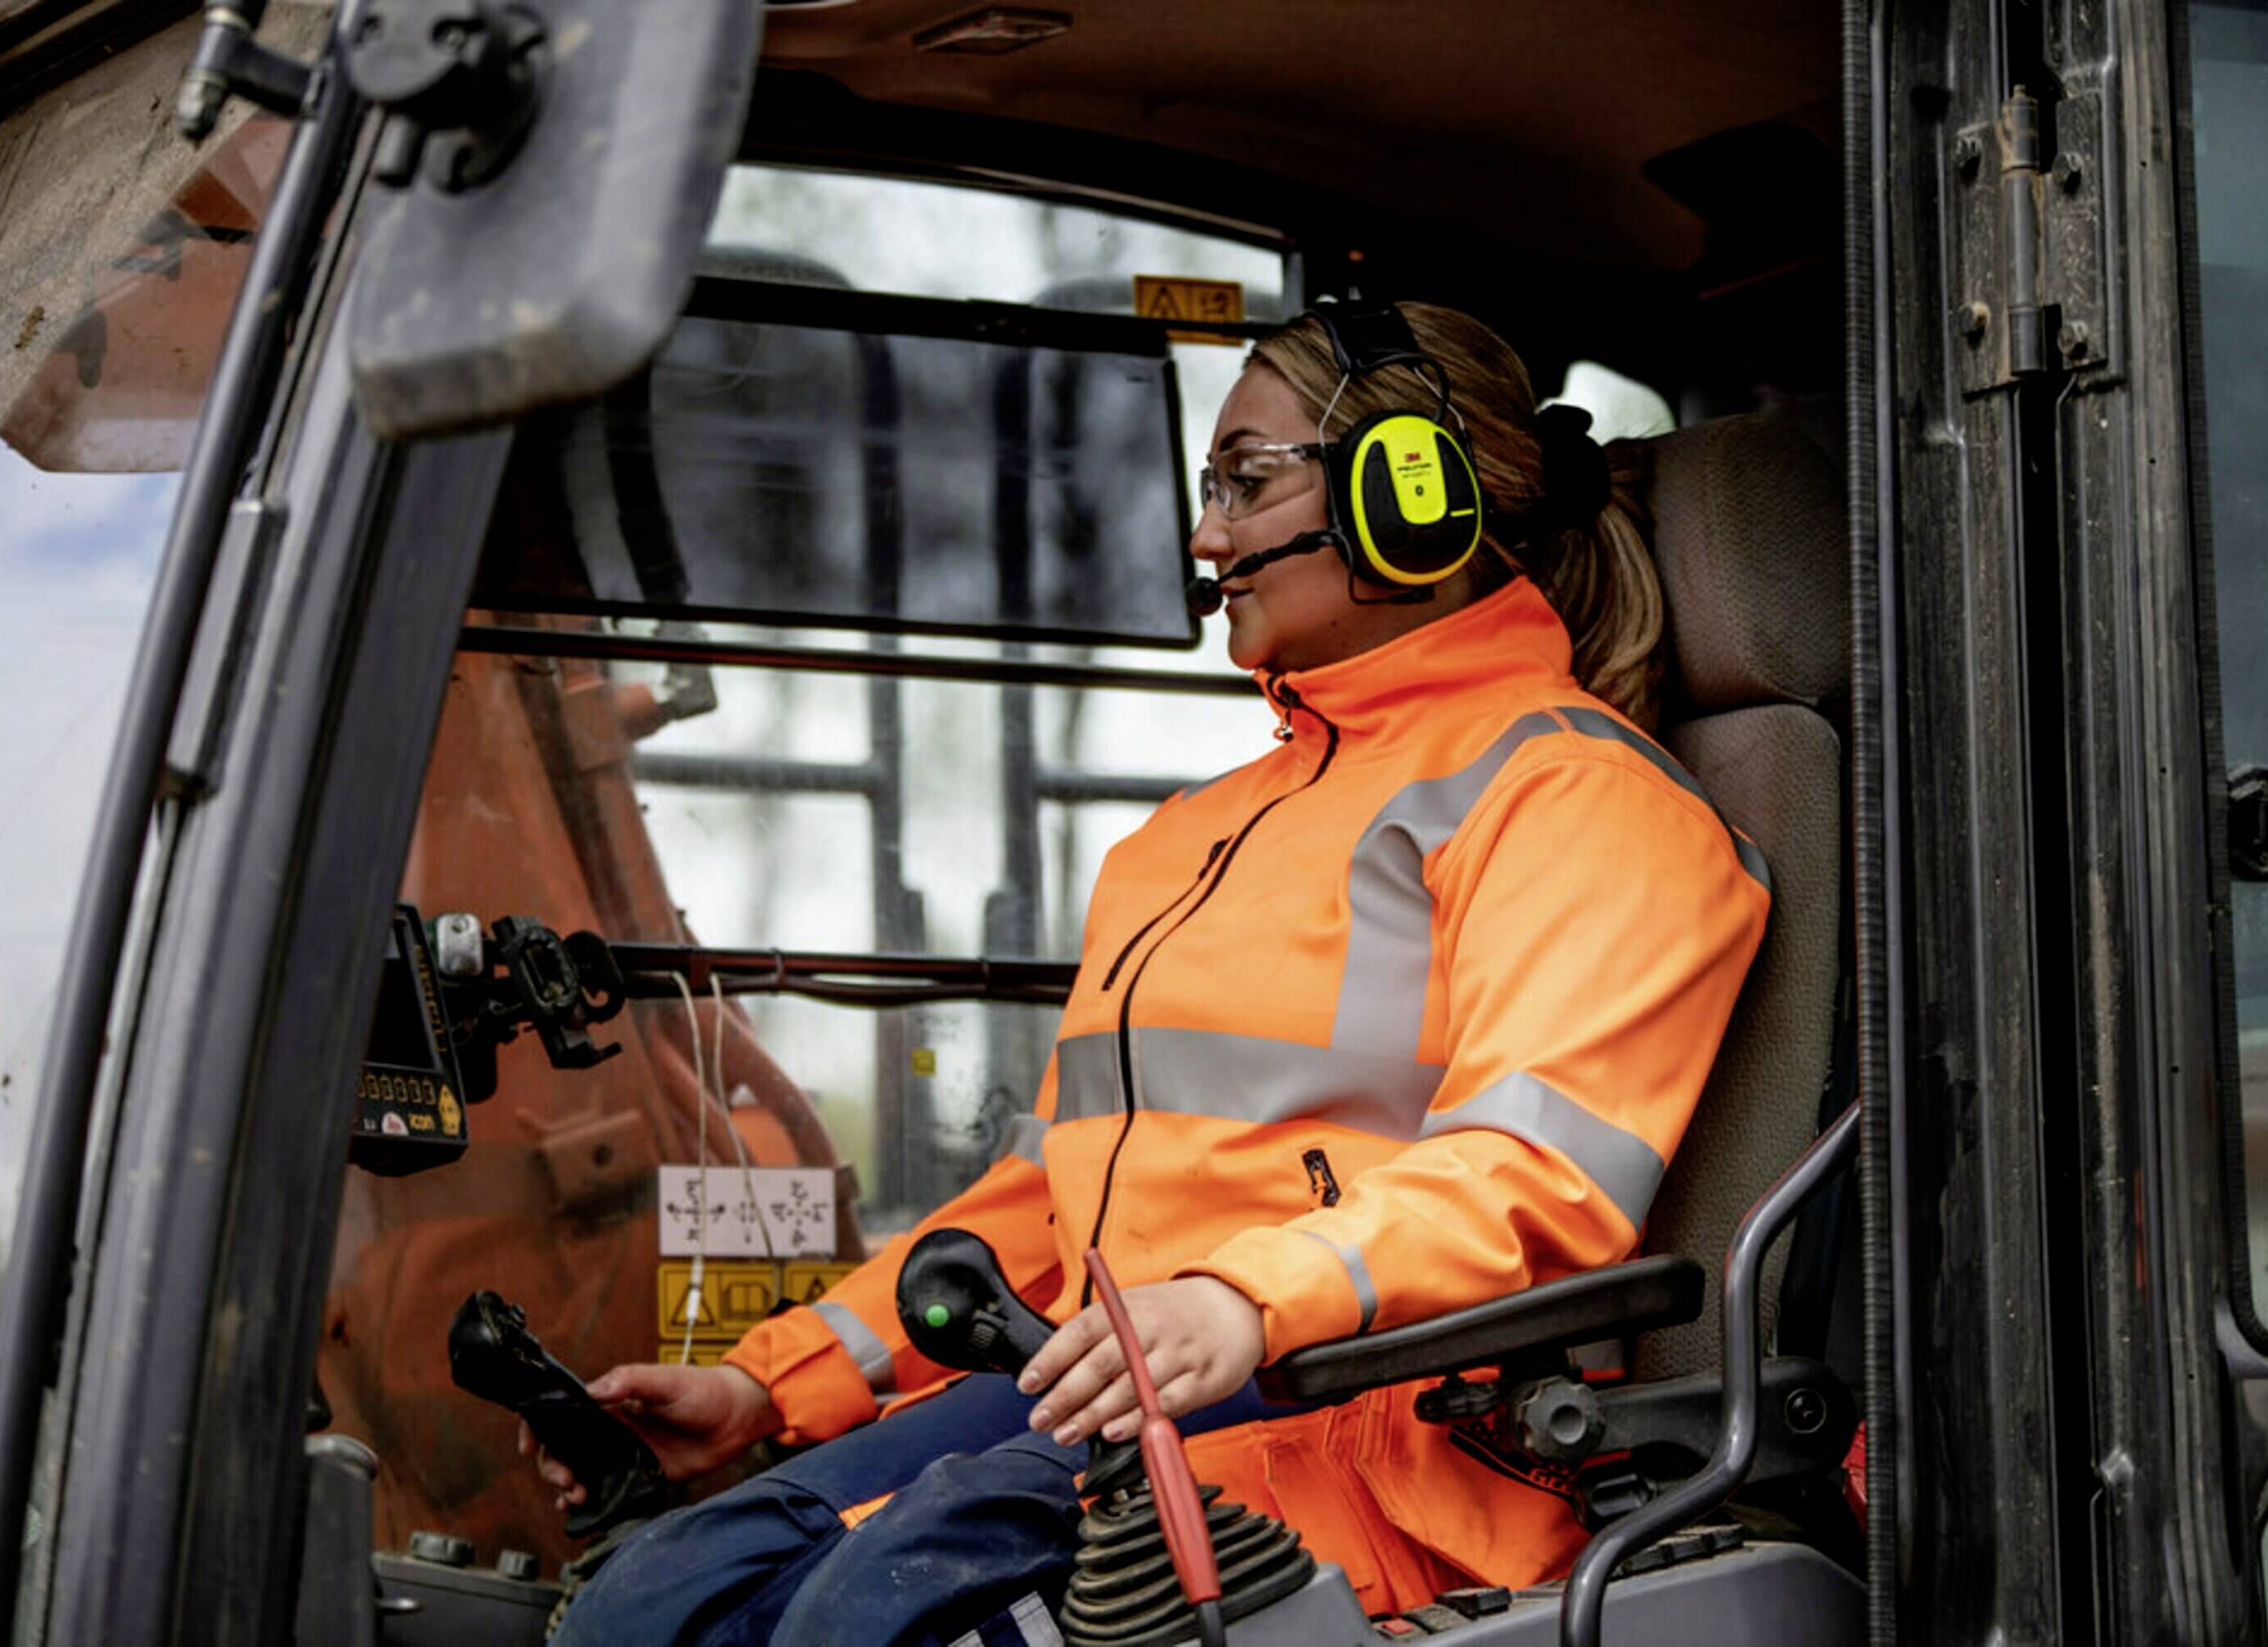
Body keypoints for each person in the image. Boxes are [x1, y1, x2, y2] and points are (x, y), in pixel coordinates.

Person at [537, 302, 1771, 1647]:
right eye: (1208, 487)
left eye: (1248, 479)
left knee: (865, 1620)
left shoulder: (1576, 799)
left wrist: (1243, 1298)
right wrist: (772, 1389)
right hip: (1122, 1392)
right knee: (645, 1602)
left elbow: (1536, 1178)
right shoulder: (1183, 840)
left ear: (1410, 492)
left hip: (1364, 1432)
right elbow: (1043, 1207)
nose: (1208, 535)